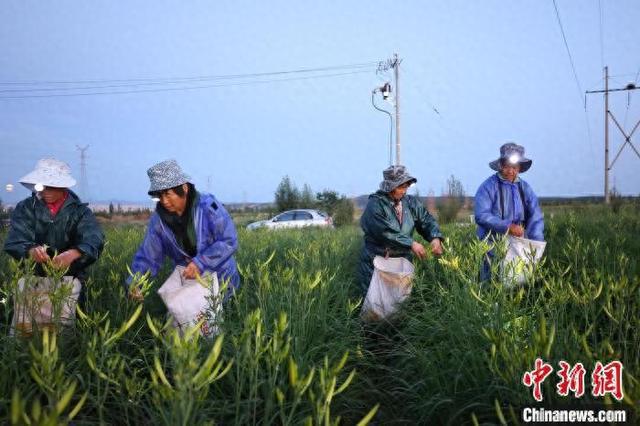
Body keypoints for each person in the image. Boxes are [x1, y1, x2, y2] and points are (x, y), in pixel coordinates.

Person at [127, 159, 240, 301]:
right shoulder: (159, 221)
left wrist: (201, 262)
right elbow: (149, 255)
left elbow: (229, 240)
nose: (164, 201)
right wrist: (135, 281)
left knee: (220, 317)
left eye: (168, 194)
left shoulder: (208, 207)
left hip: (221, 280)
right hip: (189, 283)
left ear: (184, 188)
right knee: (188, 320)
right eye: (160, 196)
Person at [3, 158, 105, 300]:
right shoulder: (26, 208)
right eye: (42, 186)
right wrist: (30, 251)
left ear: (63, 187)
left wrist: (74, 253)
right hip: (32, 281)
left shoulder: (80, 212)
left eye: (51, 186)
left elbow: (94, 238)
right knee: (27, 320)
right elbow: (15, 240)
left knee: (65, 320)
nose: (46, 191)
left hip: (70, 281)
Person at [358, 165, 444, 296]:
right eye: (401, 187)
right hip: (377, 260)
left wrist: (435, 238)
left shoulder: (410, 203)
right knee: (375, 303)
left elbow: (426, 219)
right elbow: (384, 232)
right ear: (390, 187)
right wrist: (411, 243)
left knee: (399, 302)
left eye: (406, 186)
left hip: (401, 261)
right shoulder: (375, 204)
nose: (405, 191)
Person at [474, 142, 544, 282]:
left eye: (514, 167)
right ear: (500, 165)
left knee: (518, 280)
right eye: (507, 166)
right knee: (491, 281)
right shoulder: (488, 186)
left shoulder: (525, 188)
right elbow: (481, 215)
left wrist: (536, 244)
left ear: (519, 168)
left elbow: (535, 217)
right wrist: (508, 227)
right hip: (492, 244)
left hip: (519, 242)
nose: (510, 171)